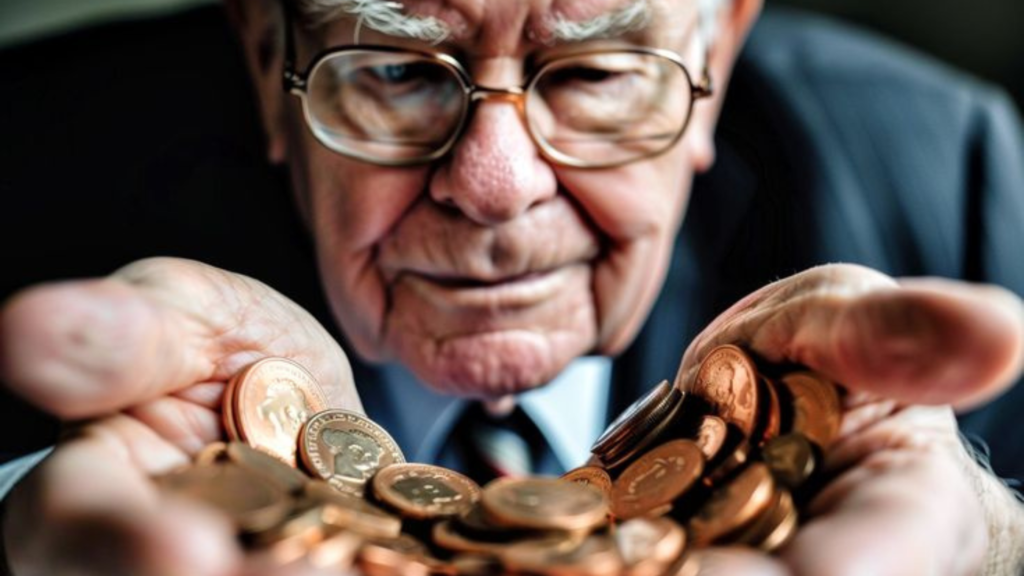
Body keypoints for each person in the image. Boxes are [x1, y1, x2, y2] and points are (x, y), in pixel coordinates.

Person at [0, 0, 1022, 574]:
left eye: (589, 76)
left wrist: (994, 541)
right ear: (274, 56)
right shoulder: (26, 174)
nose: (493, 188)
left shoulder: (949, 177)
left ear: (713, 55)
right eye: (398, 70)